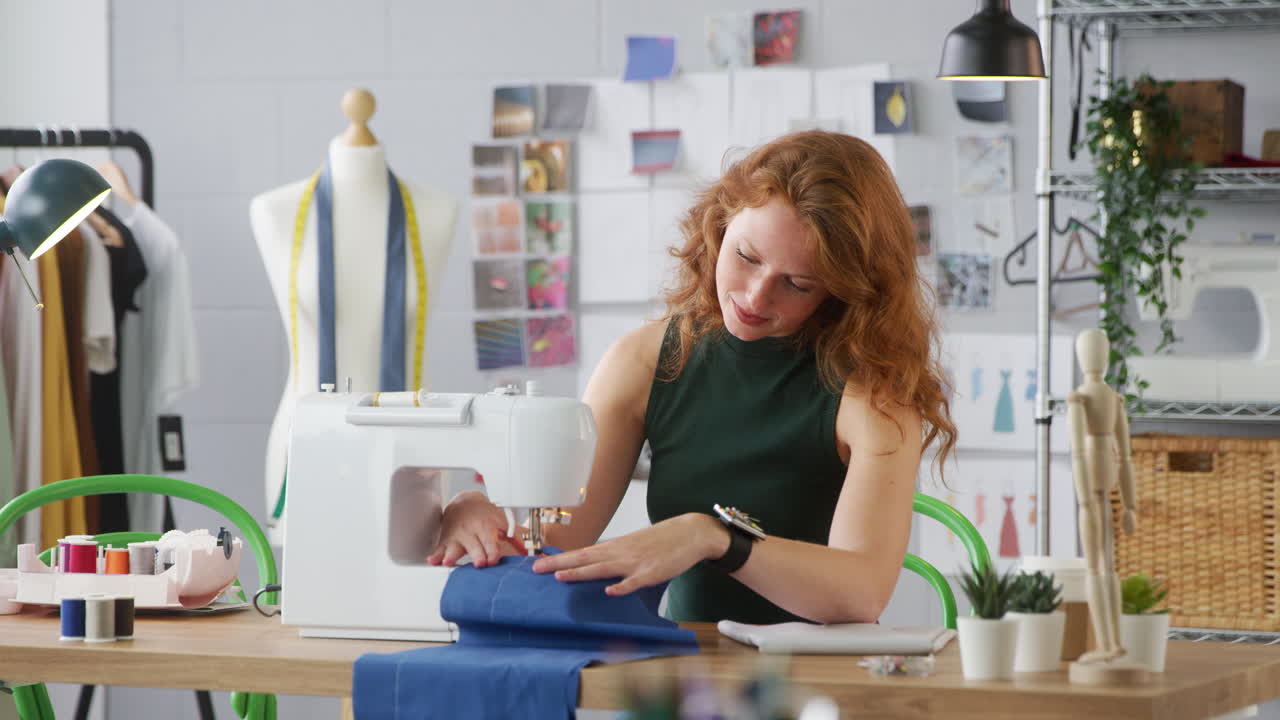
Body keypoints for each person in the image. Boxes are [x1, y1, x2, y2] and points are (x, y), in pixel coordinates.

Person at [428, 130, 956, 625]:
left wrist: (715, 538)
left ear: (842, 292)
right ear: (720, 227)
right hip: (689, 669)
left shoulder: (872, 394)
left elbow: (859, 593)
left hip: (821, 684)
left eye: (796, 284)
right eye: (746, 257)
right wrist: (478, 514)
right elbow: (558, 537)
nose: (754, 297)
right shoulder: (645, 361)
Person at [250, 89, 456, 545]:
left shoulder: (436, 210)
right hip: (305, 439)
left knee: (403, 585)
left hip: (406, 444)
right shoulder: (274, 211)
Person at [1067, 328, 1137, 662]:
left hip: (1091, 484)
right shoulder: (1113, 398)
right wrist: (1129, 504)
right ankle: (1112, 643)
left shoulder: (1080, 399)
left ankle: (1107, 646)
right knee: (1107, 565)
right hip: (1107, 474)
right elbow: (1125, 456)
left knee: (1096, 566)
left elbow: (1078, 452)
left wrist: (1083, 500)